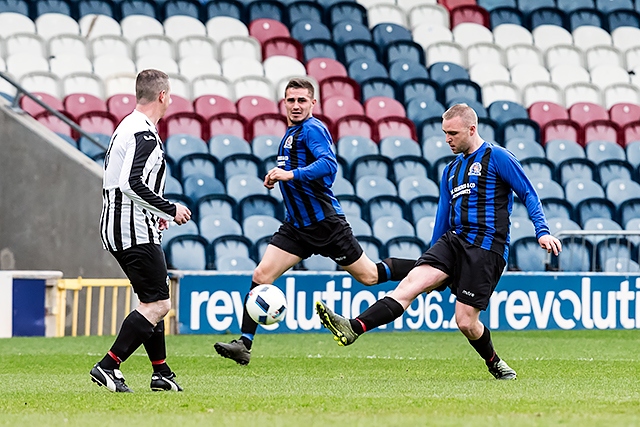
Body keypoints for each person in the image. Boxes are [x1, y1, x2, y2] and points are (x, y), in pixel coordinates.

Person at [316, 103, 563, 380]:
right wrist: (432, 255)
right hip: (453, 241)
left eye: (453, 133)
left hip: (486, 248)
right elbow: (442, 216)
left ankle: (493, 361)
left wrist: (541, 230)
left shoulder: (498, 157)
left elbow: (528, 193)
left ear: (472, 129)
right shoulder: (450, 170)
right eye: (445, 133)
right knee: (411, 283)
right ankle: (354, 327)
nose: (448, 139)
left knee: (465, 322)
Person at [214, 77, 416, 365]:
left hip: (325, 224)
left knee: (369, 276)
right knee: (261, 277)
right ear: (283, 103)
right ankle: (243, 344)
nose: (295, 105)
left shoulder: (313, 129)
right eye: (290, 100)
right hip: (296, 227)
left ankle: (431, 269)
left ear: (313, 103)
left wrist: (290, 175)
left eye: (301, 100)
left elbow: (328, 165)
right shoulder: (290, 134)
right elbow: (295, 169)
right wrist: (277, 175)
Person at [91, 69, 192, 392]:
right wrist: (169, 208)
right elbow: (131, 183)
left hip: (128, 224)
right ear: (163, 96)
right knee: (159, 304)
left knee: (152, 298)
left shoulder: (130, 125)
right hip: (131, 228)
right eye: (170, 95)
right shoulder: (143, 133)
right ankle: (109, 365)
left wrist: (154, 212)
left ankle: (161, 372)